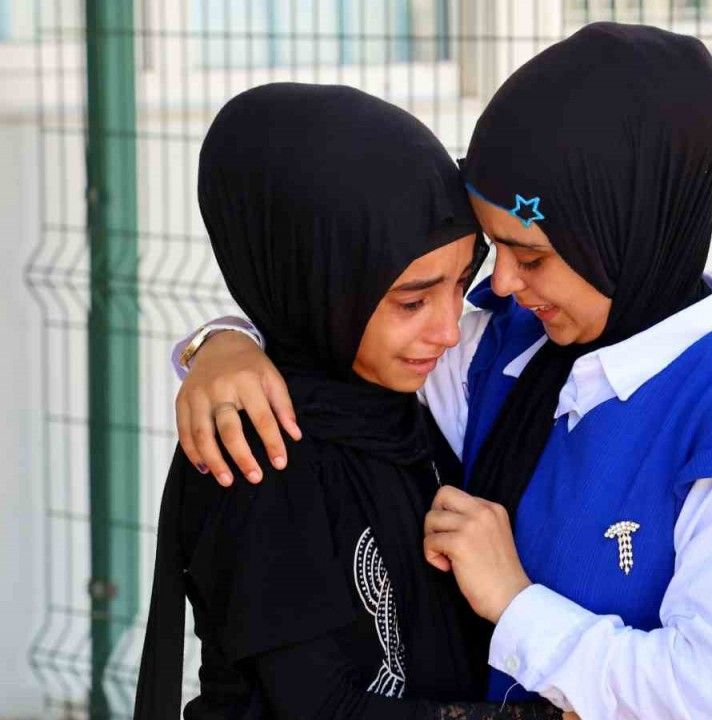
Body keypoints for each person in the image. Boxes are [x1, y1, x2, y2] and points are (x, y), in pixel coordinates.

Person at [172, 24, 712, 719]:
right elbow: (337, 324)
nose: (500, 283)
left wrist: (516, 603)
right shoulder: (502, 349)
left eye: (530, 257)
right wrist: (223, 344)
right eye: (494, 251)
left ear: (621, 233)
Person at [134, 82, 563, 720]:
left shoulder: (399, 406)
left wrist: (218, 340)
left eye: (460, 284)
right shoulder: (261, 453)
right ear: (320, 284)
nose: (449, 330)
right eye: (413, 301)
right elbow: (316, 705)